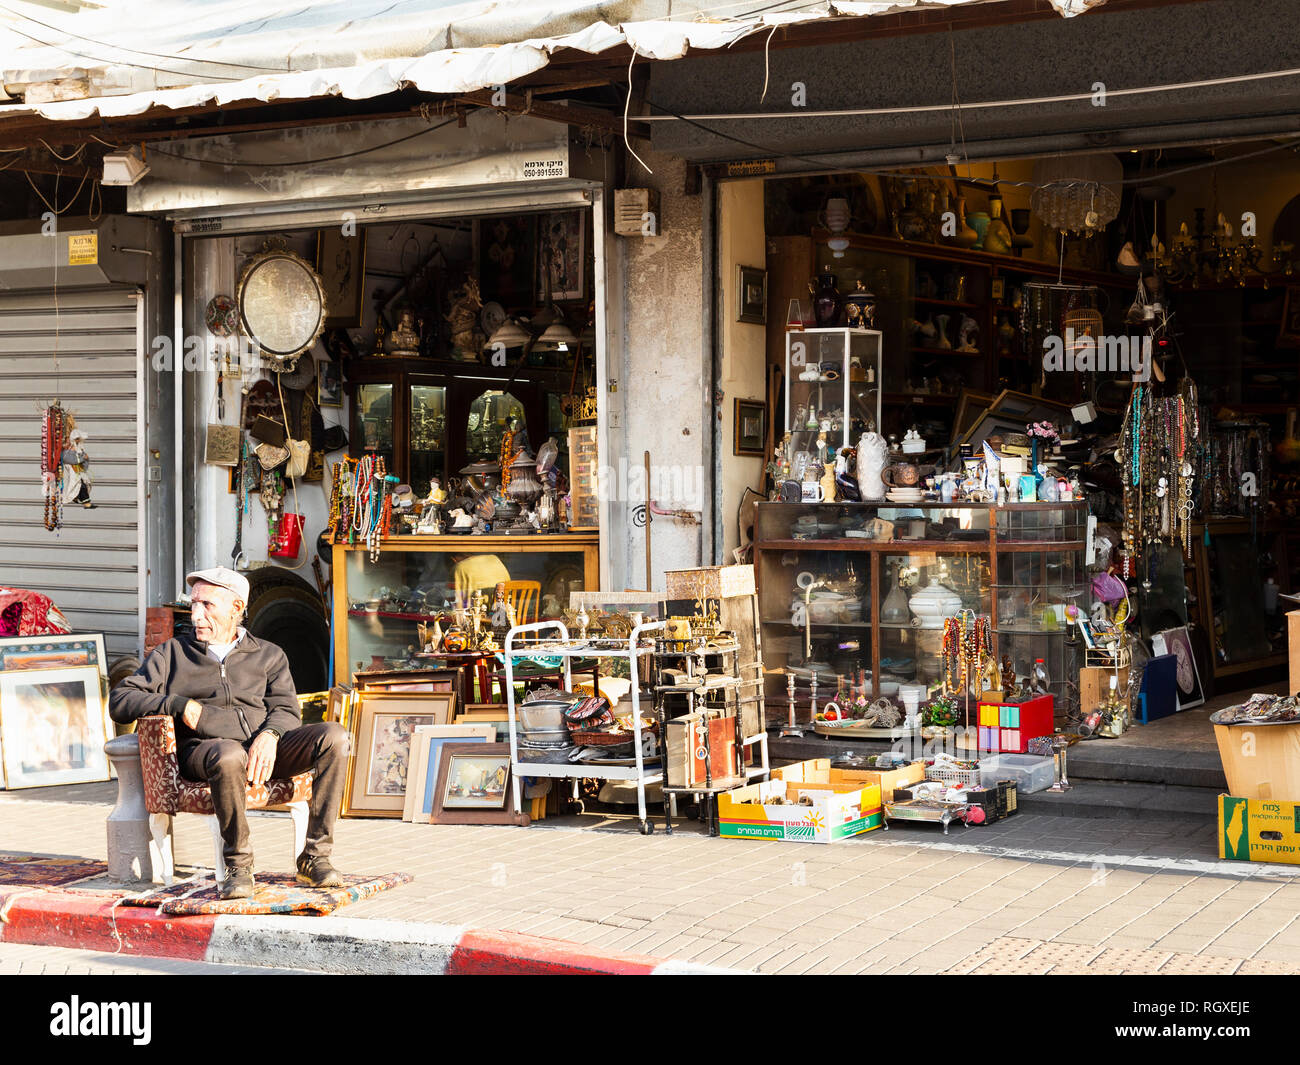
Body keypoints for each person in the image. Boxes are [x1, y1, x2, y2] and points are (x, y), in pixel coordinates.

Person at [109, 566, 348, 900]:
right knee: (229, 754)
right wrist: (179, 705)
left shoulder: (269, 655)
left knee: (334, 737)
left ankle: (315, 857)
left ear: (237, 609)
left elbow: (287, 709)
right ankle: (238, 863)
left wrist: (272, 734)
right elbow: (120, 701)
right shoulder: (172, 654)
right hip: (206, 752)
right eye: (193, 604)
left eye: (207, 605)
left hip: (262, 751)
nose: (195, 615)